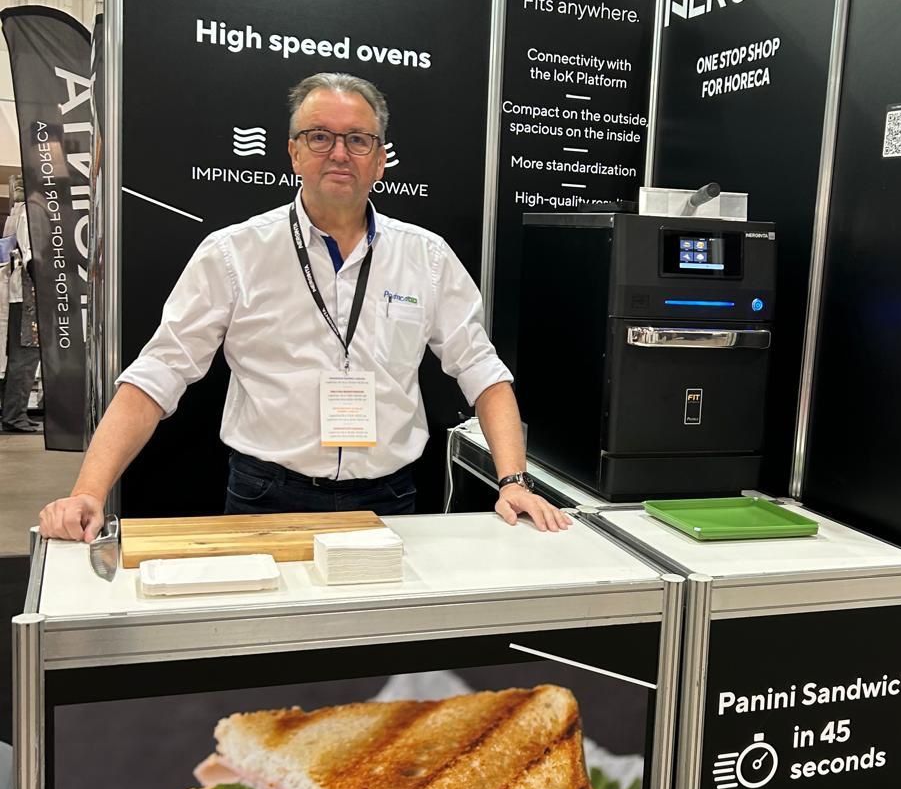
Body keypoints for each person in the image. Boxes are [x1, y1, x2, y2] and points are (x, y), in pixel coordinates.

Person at [39, 73, 569, 540]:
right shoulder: (234, 253)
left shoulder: (425, 257)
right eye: (320, 137)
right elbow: (158, 374)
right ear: (293, 152)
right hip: (266, 499)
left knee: (376, 649)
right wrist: (89, 491)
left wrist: (513, 480)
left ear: (381, 159)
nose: (339, 153)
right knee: (262, 649)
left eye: (358, 140)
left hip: (390, 502)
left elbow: (481, 369)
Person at [1, 200, 41, 434]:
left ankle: (14, 413)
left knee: (21, 356)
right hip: (28, 294)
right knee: (26, 355)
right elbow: (32, 258)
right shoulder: (30, 211)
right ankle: (15, 415)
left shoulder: (19, 212)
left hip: (19, 293)